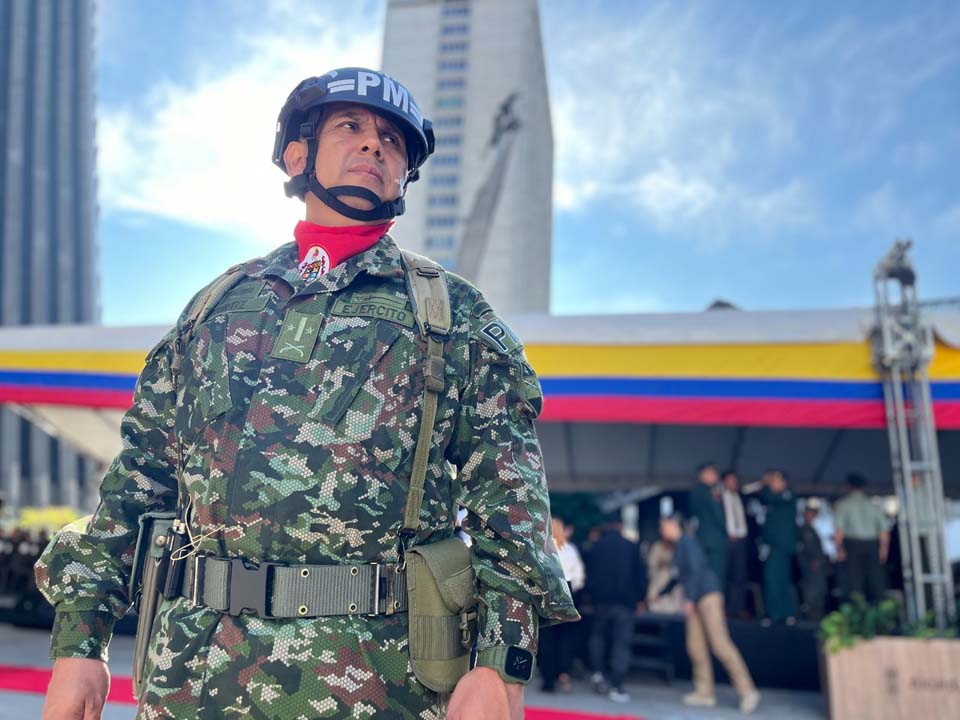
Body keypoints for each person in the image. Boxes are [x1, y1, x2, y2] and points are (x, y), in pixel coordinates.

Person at [35, 67, 578, 720]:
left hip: (374, 684)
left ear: (405, 175)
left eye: (392, 141)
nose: (375, 146)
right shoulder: (216, 307)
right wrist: (80, 644)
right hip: (194, 679)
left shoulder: (451, 314)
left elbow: (510, 497)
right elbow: (140, 477)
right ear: (298, 155)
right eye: (350, 127)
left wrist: (501, 666)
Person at [658, 514, 760, 715]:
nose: (662, 530)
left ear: (672, 525)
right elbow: (680, 577)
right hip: (695, 599)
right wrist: (658, 595)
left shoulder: (688, 542)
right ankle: (705, 692)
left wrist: (689, 599)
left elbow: (696, 570)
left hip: (707, 596)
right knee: (695, 646)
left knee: (720, 643)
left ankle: (748, 691)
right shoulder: (679, 546)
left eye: (663, 526)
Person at [583, 514, 647, 703]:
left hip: (600, 601)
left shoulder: (597, 546)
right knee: (621, 643)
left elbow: (589, 574)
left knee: (598, 636)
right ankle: (616, 684)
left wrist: (590, 595)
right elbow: (641, 575)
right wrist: (641, 598)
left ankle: (598, 672)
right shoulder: (632, 546)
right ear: (620, 525)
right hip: (625, 603)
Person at [538, 513, 585, 693]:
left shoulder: (542, 548)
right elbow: (579, 576)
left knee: (547, 636)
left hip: (548, 589)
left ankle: (548, 679)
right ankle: (563, 672)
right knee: (565, 635)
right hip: (568, 589)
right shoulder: (571, 549)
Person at [834, 473, 889, 604]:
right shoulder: (873, 505)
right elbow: (884, 530)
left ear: (848, 486)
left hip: (853, 544)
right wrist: (883, 549)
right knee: (875, 579)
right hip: (872, 544)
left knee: (854, 580)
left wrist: (839, 549)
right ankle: (878, 609)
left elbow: (839, 531)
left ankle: (856, 610)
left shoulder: (843, 504)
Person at [759, 470, 797, 624]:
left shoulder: (787, 496)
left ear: (783, 483)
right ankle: (779, 613)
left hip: (781, 545)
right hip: (774, 545)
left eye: (775, 481)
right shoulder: (776, 499)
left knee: (777, 579)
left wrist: (766, 485)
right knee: (775, 579)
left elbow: (769, 497)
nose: (773, 484)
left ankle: (780, 613)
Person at [688, 463, 727, 591]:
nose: (715, 476)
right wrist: (727, 529)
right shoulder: (708, 491)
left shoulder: (698, 491)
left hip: (706, 539)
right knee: (716, 576)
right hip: (713, 541)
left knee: (708, 575)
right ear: (703, 475)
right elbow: (718, 516)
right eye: (712, 473)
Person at [722, 470, 750, 618]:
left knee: (740, 576)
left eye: (735, 480)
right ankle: (725, 608)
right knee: (726, 575)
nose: (734, 483)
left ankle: (738, 608)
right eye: (731, 480)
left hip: (741, 540)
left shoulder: (741, 497)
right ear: (724, 482)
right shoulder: (719, 497)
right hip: (727, 540)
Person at [796, 498, 828, 620]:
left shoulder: (811, 528)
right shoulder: (805, 529)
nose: (812, 515)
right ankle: (812, 616)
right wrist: (815, 560)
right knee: (813, 591)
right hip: (812, 566)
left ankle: (815, 615)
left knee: (818, 590)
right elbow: (809, 548)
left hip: (816, 565)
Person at [646, 537, 685, 614]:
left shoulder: (679, 548)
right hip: (659, 581)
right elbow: (651, 567)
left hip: (675, 583)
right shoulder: (657, 547)